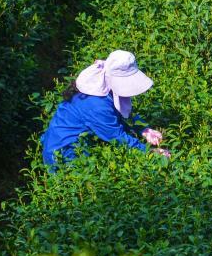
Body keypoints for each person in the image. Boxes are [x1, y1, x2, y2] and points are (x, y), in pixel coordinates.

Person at [41, 50, 169, 170]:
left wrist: (144, 129)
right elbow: (116, 137)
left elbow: (121, 112)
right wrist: (150, 152)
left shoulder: (102, 86)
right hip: (63, 154)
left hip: (71, 144)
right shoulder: (97, 105)